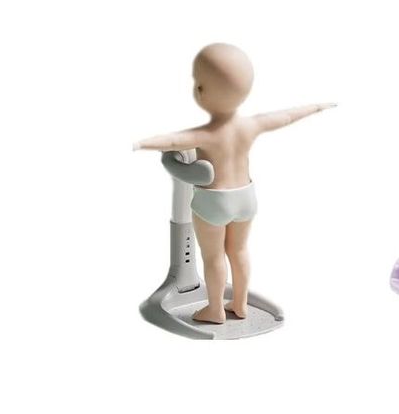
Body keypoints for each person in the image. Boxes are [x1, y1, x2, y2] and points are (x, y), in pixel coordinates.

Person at [134, 43, 335, 323]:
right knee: (239, 251)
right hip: (246, 197)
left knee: (214, 257)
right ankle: (239, 303)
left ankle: (215, 309)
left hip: (213, 200)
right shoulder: (251, 125)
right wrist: (318, 106)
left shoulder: (205, 134)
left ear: (201, 89)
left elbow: (172, 141)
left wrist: (139, 144)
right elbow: (286, 116)